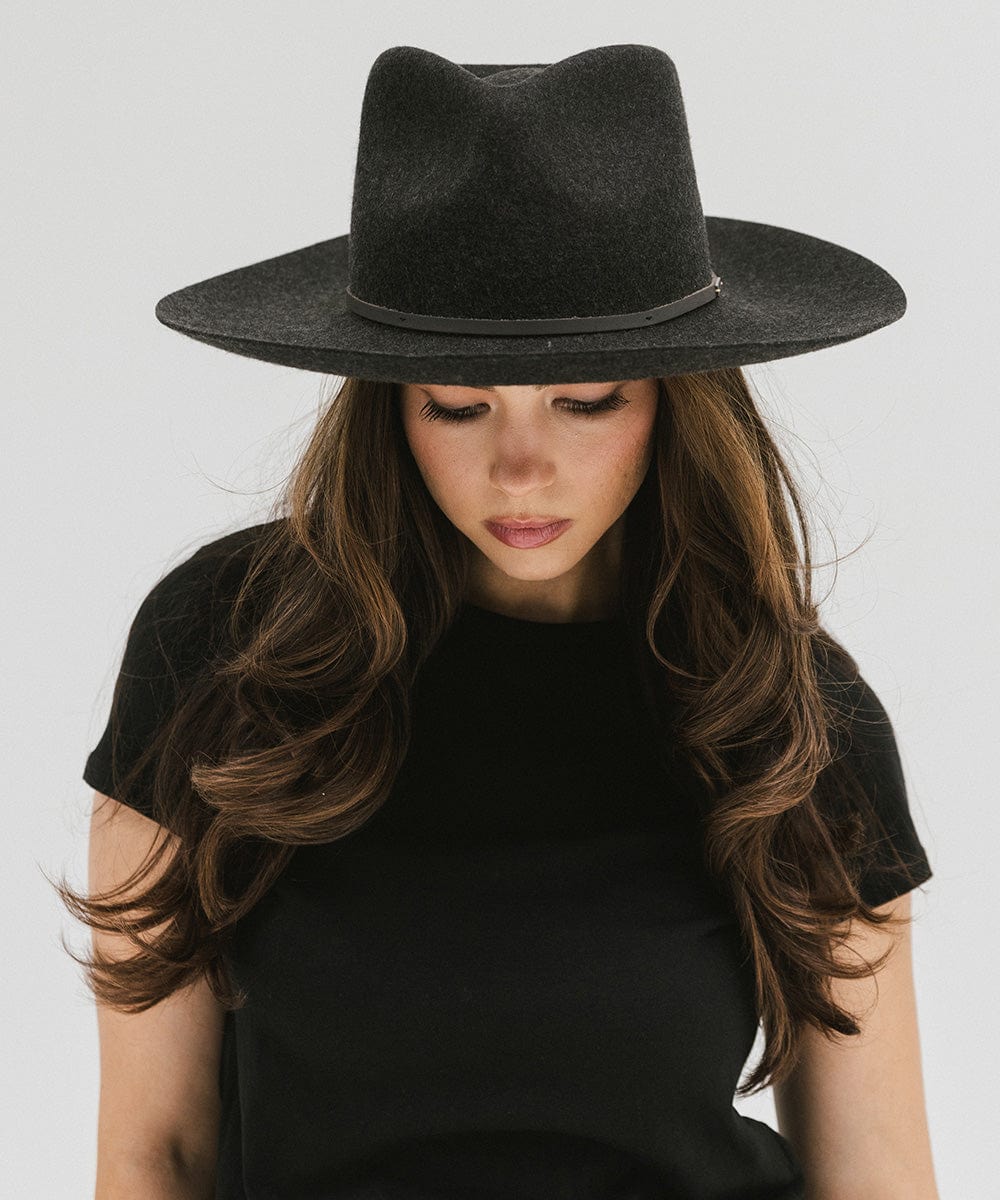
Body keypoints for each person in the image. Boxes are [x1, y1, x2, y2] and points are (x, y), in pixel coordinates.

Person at [58, 44, 938, 1200]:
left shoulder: (782, 708)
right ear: (388, 407)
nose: (521, 469)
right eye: (458, 404)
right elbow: (151, 1153)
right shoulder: (223, 651)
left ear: (678, 401)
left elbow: (876, 1177)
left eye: (587, 401)